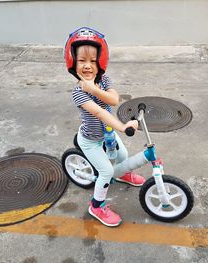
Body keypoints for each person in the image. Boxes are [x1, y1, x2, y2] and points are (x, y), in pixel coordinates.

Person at [64, 27, 146, 227]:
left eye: (92, 61)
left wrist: (94, 88)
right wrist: (122, 126)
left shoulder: (104, 80)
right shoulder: (78, 93)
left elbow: (114, 99)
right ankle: (97, 206)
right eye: (82, 60)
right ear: (73, 62)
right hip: (91, 140)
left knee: (123, 156)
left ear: (100, 62)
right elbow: (100, 113)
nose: (87, 66)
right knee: (106, 172)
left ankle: (124, 174)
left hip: (107, 133)